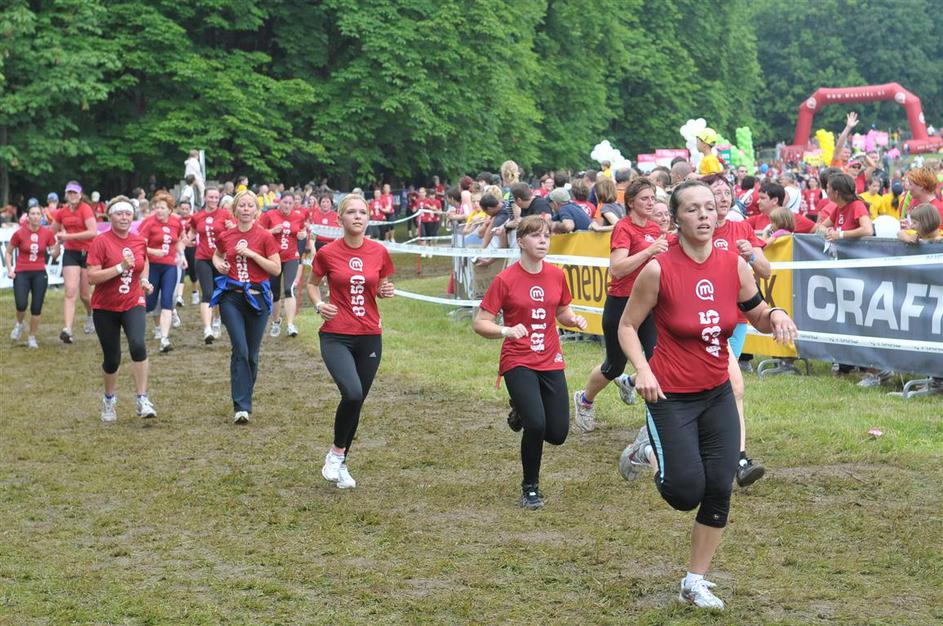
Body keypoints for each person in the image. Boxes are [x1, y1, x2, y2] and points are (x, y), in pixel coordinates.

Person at [617, 180, 798, 610]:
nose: (703, 215)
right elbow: (627, 326)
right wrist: (642, 369)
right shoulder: (658, 269)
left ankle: (694, 581)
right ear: (676, 219)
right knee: (684, 493)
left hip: (716, 392)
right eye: (692, 209)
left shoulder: (733, 264)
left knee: (719, 485)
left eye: (709, 208)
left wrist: (776, 314)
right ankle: (645, 452)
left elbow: (756, 312)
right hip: (670, 395)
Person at [474, 215, 586, 509]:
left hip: (550, 359)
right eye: (536, 236)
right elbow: (480, 322)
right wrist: (505, 330)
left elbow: (562, 311)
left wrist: (574, 319)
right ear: (521, 241)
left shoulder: (556, 275)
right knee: (537, 424)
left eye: (546, 236)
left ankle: (521, 412)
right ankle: (530, 488)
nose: (543, 241)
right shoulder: (506, 279)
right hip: (518, 358)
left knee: (557, 433)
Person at [306, 194, 396, 489]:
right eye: (351, 212)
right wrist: (319, 305)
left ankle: (340, 462)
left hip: (369, 335)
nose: (358, 217)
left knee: (356, 402)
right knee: (353, 393)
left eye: (362, 212)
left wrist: (384, 290)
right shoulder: (327, 253)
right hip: (336, 334)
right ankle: (335, 454)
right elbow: (311, 284)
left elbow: (380, 284)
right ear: (340, 219)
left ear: (368, 218)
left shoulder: (379, 251)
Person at [573, 179, 665, 432]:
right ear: (631, 202)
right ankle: (585, 399)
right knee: (614, 366)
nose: (650, 203)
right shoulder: (623, 228)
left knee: (658, 360)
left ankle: (655, 425)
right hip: (622, 303)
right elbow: (617, 268)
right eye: (645, 198)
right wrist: (649, 251)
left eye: (653, 198)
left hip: (648, 304)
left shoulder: (655, 228)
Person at [210, 190, 281, 424]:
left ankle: (245, 395)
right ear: (235, 210)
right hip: (232, 298)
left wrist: (252, 254)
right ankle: (241, 407)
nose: (246, 209)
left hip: (258, 299)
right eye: (242, 205)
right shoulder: (226, 235)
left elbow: (276, 269)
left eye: (250, 205)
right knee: (239, 349)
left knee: (252, 354)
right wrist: (219, 264)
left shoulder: (264, 236)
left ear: (257, 210)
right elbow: (216, 254)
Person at [86, 197, 157, 422]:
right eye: (119, 213)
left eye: (128, 213)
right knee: (112, 358)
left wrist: (144, 280)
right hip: (105, 306)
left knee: (138, 345)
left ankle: (142, 399)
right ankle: (109, 399)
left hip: (133, 301)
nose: (124, 217)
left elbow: (143, 262)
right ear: (110, 216)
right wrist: (120, 267)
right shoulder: (100, 241)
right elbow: (92, 277)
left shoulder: (139, 240)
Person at [6, 204, 59, 348]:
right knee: (21, 304)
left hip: (39, 273)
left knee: (36, 307)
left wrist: (57, 246)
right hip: (21, 272)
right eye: (33, 214)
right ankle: (19, 324)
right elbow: (8, 252)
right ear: (28, 217)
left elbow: (54, 255)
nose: (35, 217)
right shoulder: (19, 233)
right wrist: (10, 269)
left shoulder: (47, 233)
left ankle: (32, 337)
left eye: (38, 214)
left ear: (42, 217)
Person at [138, 191, 185, 352]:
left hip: (170, 266)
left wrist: (181, 255)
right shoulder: (148, 222)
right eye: (156, 207)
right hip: (152, 266)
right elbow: (140, 245)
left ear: (170, 210)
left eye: (162, 208)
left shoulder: (176, 222)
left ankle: (164, 339)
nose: (158, 210)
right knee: (150, 303)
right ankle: (131, 322)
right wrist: (154, 252)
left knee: (167, 300)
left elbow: (180, 240)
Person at [51, 181, 97, 343]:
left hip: (87, 253)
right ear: (66, 195)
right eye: (69, 193)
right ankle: (67, 329)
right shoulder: (61, 212)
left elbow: (93, 232)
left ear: (80, 194)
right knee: (70, 291)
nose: (72, 195)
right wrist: (56, 246)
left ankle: (91, 314)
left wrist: (67, 237)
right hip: (71, 253)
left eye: (75, 193)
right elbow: (52, 232)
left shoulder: (85, 209)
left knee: (85, 295)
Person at [189, 186, 234, 343]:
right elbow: (192, 231)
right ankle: (207, 329)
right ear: (205, 198)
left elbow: (236, 230)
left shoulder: (225, 214)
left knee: (220, 292)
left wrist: (232, 227)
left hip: (221, 258)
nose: (214, 200)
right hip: (203, 258)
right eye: (211, 197)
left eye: (216, 197)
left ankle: (217, 319)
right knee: (207, 293)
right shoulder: (197, 216)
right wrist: (186, 240)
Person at [259, 192, 307, 338]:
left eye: (290, 203)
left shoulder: (299, 216)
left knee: (288, 289)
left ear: (294, 204)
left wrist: (302, 235)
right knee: (274, 292)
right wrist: (272, 231)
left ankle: (291, 324)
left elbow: (302, 231)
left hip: (291, 256)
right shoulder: (269, 215)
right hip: (273, 258)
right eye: (285, 202)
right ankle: (276, 322)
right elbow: (258, 233)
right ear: (279, 202)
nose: (287, 206)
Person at [816, 173, 874, 241]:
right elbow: (820, 226)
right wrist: (827, 231)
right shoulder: (838, 208)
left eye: (828, 188)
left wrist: (840, 234)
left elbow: (868, 230)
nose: (826, 191)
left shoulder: (857, 205)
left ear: (836, 193)